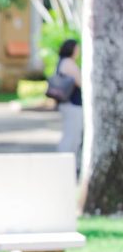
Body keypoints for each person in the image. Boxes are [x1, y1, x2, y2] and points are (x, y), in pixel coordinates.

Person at [54, 38, 83, 174]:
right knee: (72, 136)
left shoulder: (62, 62)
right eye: (77, 48)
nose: (78, 51)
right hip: (73, 105)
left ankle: (68, 166)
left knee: (72, 136)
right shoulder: (68, 63)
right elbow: (81, 82)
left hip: (68, 105)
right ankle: (64, 166)